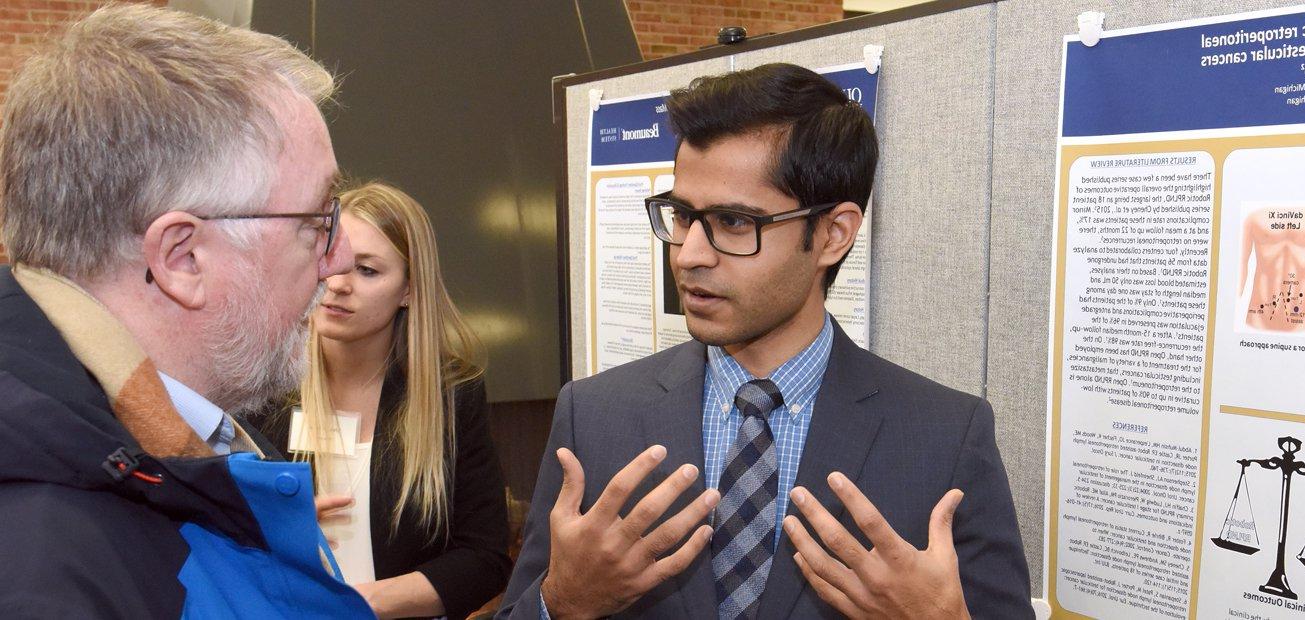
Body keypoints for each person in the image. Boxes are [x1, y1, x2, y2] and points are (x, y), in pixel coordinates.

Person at [497, 63, 1030, 619]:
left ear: (832, 234)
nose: (689, 255)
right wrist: (559, 604)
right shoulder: (595, 415)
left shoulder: (944, 436)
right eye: (683, 216)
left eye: (732, 222)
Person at [0, 5, 371, 616]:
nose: (340, 258)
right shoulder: (47, 572)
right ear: (183, 259)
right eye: (318, 219)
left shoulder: (184, 445)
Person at [260, 182, 513, 618]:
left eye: (367, 270)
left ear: (409, 291)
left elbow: (484, 559)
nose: (337, 284)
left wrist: (359, 605)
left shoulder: (450, 394)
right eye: (330, 261)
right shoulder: (263, 387)